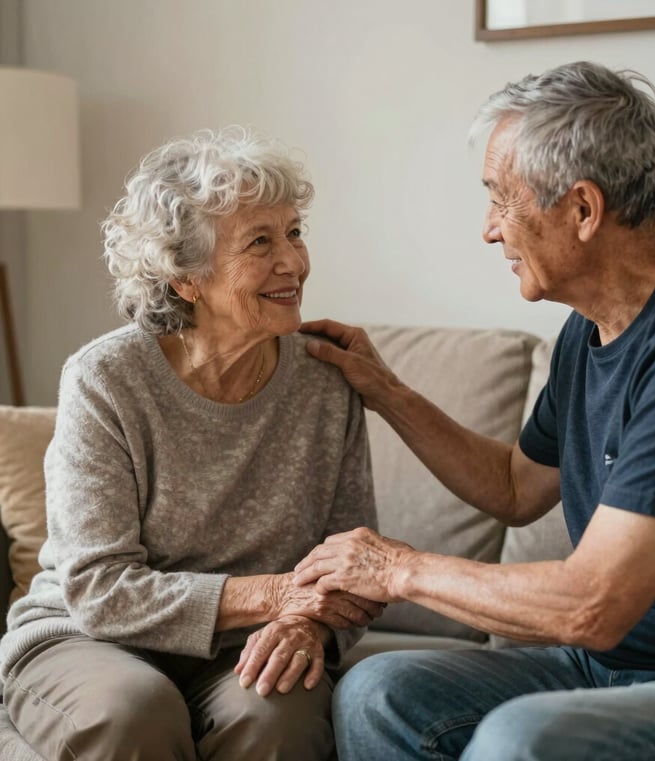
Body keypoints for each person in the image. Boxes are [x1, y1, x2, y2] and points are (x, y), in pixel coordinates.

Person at [293, 61, 655, 760]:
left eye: (499, 199)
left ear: (582, 209)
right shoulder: (593, 322)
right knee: (381, 690)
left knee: (523, 739)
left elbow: (593, 604)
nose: (489, 230)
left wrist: (396, 568)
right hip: (605, 668)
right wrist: (386, 391)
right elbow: (517, 488)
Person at [0, 126, 382, 761]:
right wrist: (277, 594)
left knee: (277, 719)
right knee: (133, 712)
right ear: (185, 279)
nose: (292, 261)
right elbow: (98, 587)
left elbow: (353, 564)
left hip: (247, 645)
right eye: (260, 242)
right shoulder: (107, 379)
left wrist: (305, 620)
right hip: (92, 639)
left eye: (293, 232)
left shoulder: (325, 380)